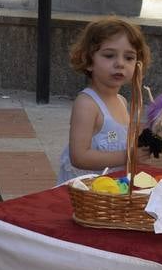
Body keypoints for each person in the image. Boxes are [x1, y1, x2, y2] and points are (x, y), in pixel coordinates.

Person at [57, 15, 152, 184]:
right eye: (109, 56)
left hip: (111, 191)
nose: (120, 64)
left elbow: (120, 141)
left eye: (129, 58)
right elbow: (79, 157)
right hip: (84, 192)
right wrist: (128, 156)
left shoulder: (122, 102)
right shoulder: (87, 104)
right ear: (88, 61)